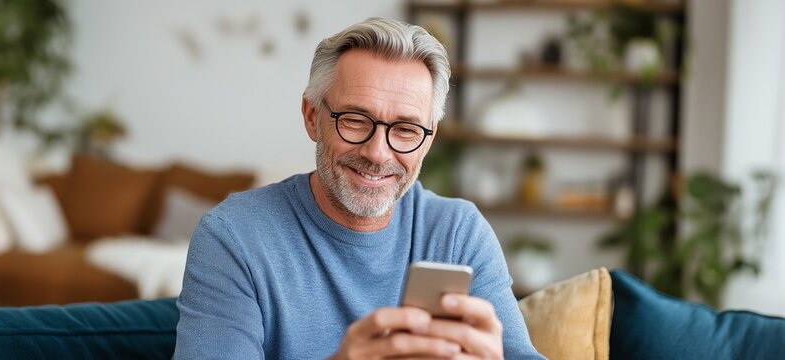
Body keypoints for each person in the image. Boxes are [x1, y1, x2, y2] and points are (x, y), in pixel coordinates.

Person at [174, 17, 545, 359]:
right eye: (354, 120)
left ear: (427, 140)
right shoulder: (234, 237)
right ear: (312, 117)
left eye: (405, 130)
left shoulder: (458, 233)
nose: (377, 153)